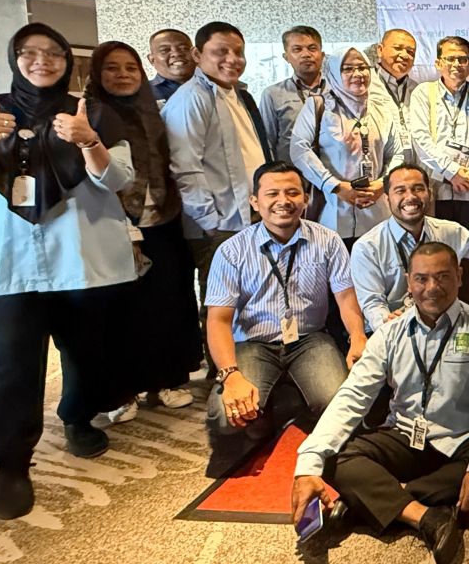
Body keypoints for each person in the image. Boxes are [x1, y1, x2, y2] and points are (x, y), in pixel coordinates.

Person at [0, 24, 136, 520]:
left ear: (68, 61)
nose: (42, 61)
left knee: (88, 351)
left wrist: (90, 141)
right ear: (14, 58)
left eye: (54, 53)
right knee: (9, 364)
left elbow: (119, 179)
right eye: (29, 52)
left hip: (81, 255)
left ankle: (77, 416)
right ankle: (11, 464)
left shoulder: (93, 111)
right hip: (8, 260)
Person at [292, 242, 469, 564]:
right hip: (406, 436)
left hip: (460, 442)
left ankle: (372, 500)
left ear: (459, 276)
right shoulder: (390, 333)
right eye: (421, 279)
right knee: (334, 458)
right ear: (409, 282)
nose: (431, 287)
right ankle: (425, 516)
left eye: (442, 277)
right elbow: (353, 396)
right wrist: (307, 465)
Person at [205, 161, 368, 476]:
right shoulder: (231, 251)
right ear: (255, 201)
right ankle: (276, 402)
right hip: (253, 343)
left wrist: (358, 337)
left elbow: (346, 298)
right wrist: (230, 375)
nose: (283, 201)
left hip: (309, 339)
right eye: (272, 194)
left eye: (292, 192)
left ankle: (282, 398)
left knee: (340, 405)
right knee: (225, 418)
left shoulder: (328, 241)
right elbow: (218, 320)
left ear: (306, 198)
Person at [85, 41, 203, 416]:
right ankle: (124, 390)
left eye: (130, 68)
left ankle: (167, 378)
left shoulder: (155, 111)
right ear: (97, 73)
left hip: (163, 219)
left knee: (167, 300)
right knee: (121, 308)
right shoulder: (90, 114)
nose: (122, 75)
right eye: (112, 68)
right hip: (111, 223)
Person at [163, 21, 274, 350]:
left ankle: (250, 363)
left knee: (250, 297)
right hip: (219, 224)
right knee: (220, 303)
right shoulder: (192, 98)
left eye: (238, 52)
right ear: (197, 55)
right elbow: (184, 167)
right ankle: (222, 370)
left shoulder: (236, 94)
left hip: (247, 215)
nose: (232, 59)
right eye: (220, 51)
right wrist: (210, 221)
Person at [291, 45, 409, 248]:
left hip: (377, 210)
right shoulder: (319, 106)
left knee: (378, 261)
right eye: (347, 69)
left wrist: (383, 183)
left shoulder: (381, 108)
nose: (358, 74)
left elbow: (397, 152)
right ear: (334, 73)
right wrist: (335, 186)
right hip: (334, 210)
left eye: (363, 67)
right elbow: (299, 150)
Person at [349, 164, 469, 332]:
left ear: (430, 194)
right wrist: (388, 322)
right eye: (400, 191)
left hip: (444, 324)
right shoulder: (367, 247)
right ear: (386, 199)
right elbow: (373, 304)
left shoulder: (450, 232)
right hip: (394, 330)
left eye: (418, 189)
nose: (410, 197)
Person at [408, 35, 469, 233]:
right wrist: (452, 172)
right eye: (450, 59)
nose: (457, 64)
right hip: (438, 188)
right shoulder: (423, 93)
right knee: (439, 245)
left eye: (463, 59)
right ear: (438, 63)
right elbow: (421, 139)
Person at [258, 25, 326, 157]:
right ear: (286, 57)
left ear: (322, 55)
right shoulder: (272, 94)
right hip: (292, 168)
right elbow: (267, 142)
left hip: (332, 169)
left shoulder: (338, 90)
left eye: (312, 48)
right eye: (297, 49)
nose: (306, 54)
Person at [370, 27, 420, 153]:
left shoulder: (417, 90)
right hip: (379, 160)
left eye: (410, 52)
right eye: (397, 48)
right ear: (380, 50)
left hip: (413, 162)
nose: (404, 55)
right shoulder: (366, 84)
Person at [146, 28, 195, 102]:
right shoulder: (142, 92)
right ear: (152, 60)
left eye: (184, 48)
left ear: (196, 54)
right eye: (165, 50)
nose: (176, 53)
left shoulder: (210, 86)